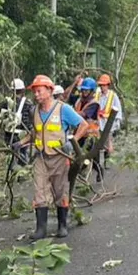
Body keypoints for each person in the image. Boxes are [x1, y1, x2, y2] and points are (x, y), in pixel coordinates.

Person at [22, 74, 87, 239]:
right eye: (34, 92)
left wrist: (72, 141)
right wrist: (20, 143)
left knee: (60, 191)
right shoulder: (34, 111)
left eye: (39, 91)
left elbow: (83, 125)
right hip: (41, 157)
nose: (36, 95)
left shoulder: (63, 109)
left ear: (50, 91)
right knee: (40, 192)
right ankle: (41, 229)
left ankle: (62, 225)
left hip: (60, 157)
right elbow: (35, 133)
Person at [95, 74, 123, 155]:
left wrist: (117, 123)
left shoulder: (113, 96)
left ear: (108, 85)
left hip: (109, 123)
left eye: (104, 85)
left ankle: (109, 158)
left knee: (108, 142)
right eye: (101, 85)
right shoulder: (97, 95)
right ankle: (101, 158)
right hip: (99, 123)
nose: (102, 87)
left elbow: (118, 110)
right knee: (99, 143)